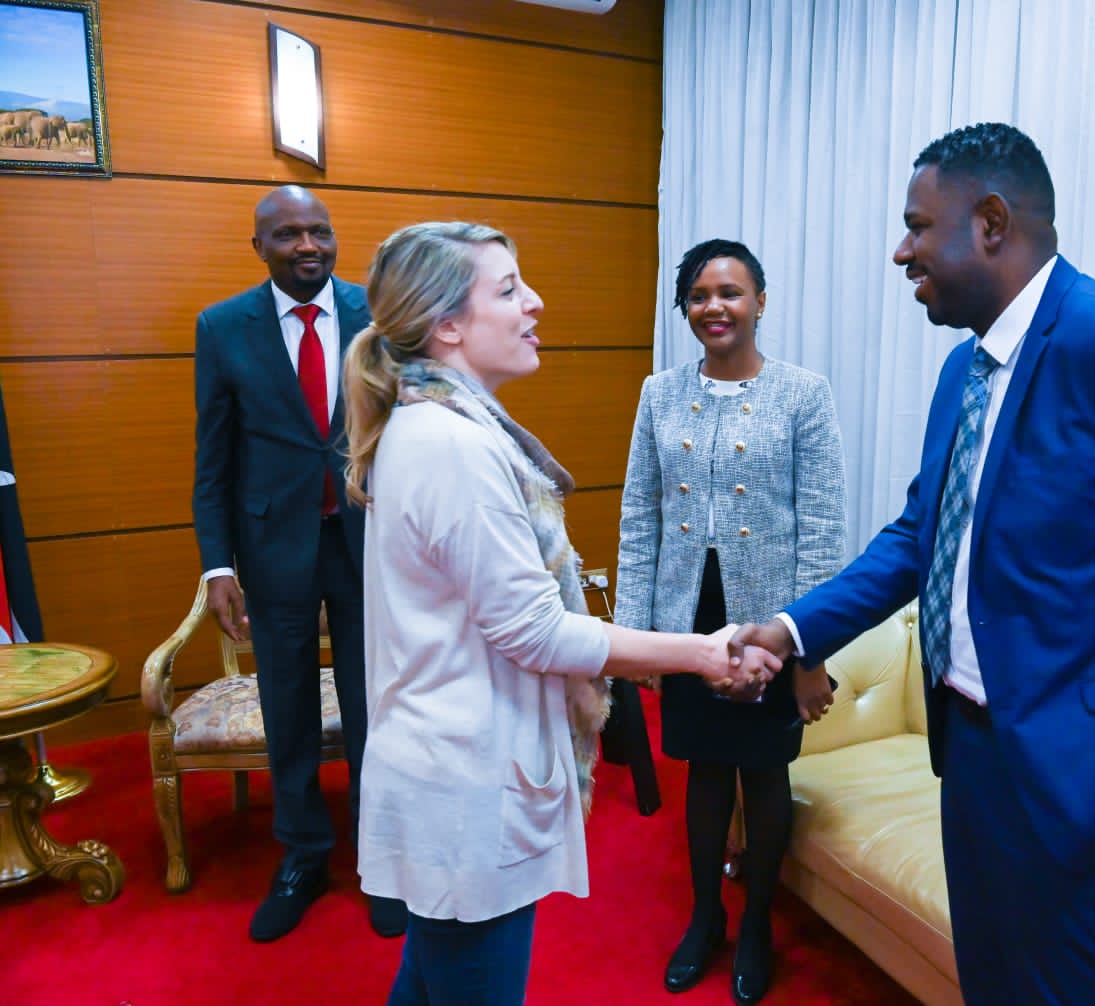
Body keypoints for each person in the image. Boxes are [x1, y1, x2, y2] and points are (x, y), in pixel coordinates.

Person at [730, 123, 1095, 1005]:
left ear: (991, 222)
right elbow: (921, 535)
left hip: (1085, 770)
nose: (901, 251)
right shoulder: (964, 369)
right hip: (972, 753)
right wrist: (795, 627)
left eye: (918, 226)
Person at [343, 221, 781, 1006]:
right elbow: (536, 630)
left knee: (427, 985)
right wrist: (700, 653)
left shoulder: (435, 427)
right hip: (465, 789)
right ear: (447, 325)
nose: (535, 303)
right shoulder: (453, 446)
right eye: (508, 289)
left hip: (450, 771)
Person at [616, 238, 846, 1004]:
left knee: (763, 768)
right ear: (686, 306)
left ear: (760, 302)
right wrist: (633, 638)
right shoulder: (658, 393)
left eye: (731, 292)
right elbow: (638, 521)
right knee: (704, 766)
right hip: (688, 616)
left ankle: (755, 929)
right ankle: (706, 916)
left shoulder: (803, 395)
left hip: (770, 622)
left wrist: (810, 649)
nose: (715, 306)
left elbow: (820, 529)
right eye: (700, 294)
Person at [192, 184, 405, 942]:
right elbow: (212, 459)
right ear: (260, 247)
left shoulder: (376, 317)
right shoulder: (222, 328)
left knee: (377, 703)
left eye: (319, 230)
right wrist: (219, 566)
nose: (307, 245)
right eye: (288, 235)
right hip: (273, 547)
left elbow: (409, 427)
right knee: (288, 709)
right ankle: (304, 857)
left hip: (367, 541)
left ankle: (381, 857)